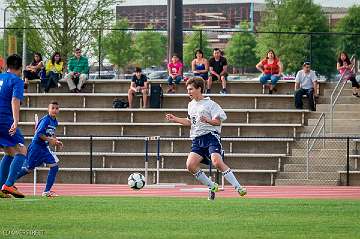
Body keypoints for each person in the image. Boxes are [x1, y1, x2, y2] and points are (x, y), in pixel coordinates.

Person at [165, 77, 247, 200]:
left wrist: (208, 120)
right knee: (190, 165)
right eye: (187, 89)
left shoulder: (211, 104)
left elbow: (218, 122)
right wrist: (175, 119)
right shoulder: (191, 105)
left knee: (217, 162)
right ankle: (212, 185)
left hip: (210, 137)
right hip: (197, 140)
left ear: (199, 89)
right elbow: (190, 122)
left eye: (191, 89)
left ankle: (238, 187)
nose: (188, 92)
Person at [16, 101, 63, 197]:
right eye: (52, 108)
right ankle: (6, 182)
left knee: (54, 166)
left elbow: (51, 133)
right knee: (28, 169)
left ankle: (46, 191)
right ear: (48, 109)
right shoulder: (46, 120)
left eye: (56, 108)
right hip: (36, 147)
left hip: (44, 148)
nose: (54, 110)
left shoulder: (55, 121)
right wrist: (50, 140)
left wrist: (56, 140)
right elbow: (39, 134)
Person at [0, 54, 27, 198]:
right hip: (4, 119)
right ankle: (9, 185)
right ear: (20, 68)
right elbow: (15, 100)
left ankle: (0, 187)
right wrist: (16, 121)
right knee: (22, 150)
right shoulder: (17, 80)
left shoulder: (1, 77)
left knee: (9, 152)